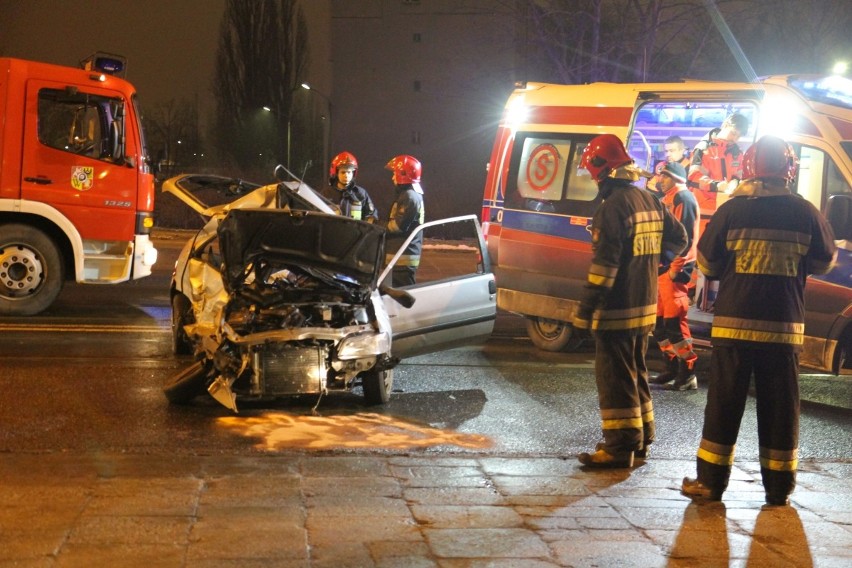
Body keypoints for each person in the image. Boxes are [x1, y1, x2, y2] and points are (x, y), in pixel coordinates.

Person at [681, 135, 837, 507]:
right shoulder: (806, 213)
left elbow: (707, 264)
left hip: (734, 328)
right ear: (789, 171)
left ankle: (711, 483)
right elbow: (824, 261)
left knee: (723, 404)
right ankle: (778, 488)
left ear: (749, 170)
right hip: (783, 330)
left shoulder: (732, 211)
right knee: (781, 408)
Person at [572, 134, 688, 468]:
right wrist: (656, 265)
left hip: (617, 309)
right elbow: (679, 238)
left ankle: (619, 448)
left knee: (614, 378)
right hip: (645, 307)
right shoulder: (649, 198)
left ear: (600, 170)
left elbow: (604, 268)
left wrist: (586, 309)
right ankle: (641, 440)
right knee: (636, 372)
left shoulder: (612, 208)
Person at [648, 162, 701, 391]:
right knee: (660, 324)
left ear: (675, 178)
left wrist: (676, 268)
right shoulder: (669, 198)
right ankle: (670, 369)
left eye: (665, 176)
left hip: (675, 270)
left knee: (674, 324)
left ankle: (688, 372)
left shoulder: (683, 198)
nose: (661, 179)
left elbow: (685, 238)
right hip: (663, 268)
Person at [688, 113, 749, 219]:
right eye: (733, 133)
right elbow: (694, 177)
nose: (735, 139)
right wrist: (716, 185)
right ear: (725, 125)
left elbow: (738, 175)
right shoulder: (702, 148)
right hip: (703, 211)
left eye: (738, 136)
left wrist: (735, 182)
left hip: (726, 210)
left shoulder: (737, 153)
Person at [384, 154, 425, 287]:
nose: (392, 177)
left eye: (394, 173)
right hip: (399, 257)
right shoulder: (409, 194)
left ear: (403, 174)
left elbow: (397, 226)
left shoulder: (410, 197)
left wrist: (376, 227)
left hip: (402, 258)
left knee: (402, 300)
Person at [328, 151, 379, 223]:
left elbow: (371, 216)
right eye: (343, 172)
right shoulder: (327, 193)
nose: (346, 175)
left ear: (353, 174)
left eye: (349, 172)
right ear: (336, 173)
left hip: (354, 233)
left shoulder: (360, 193)